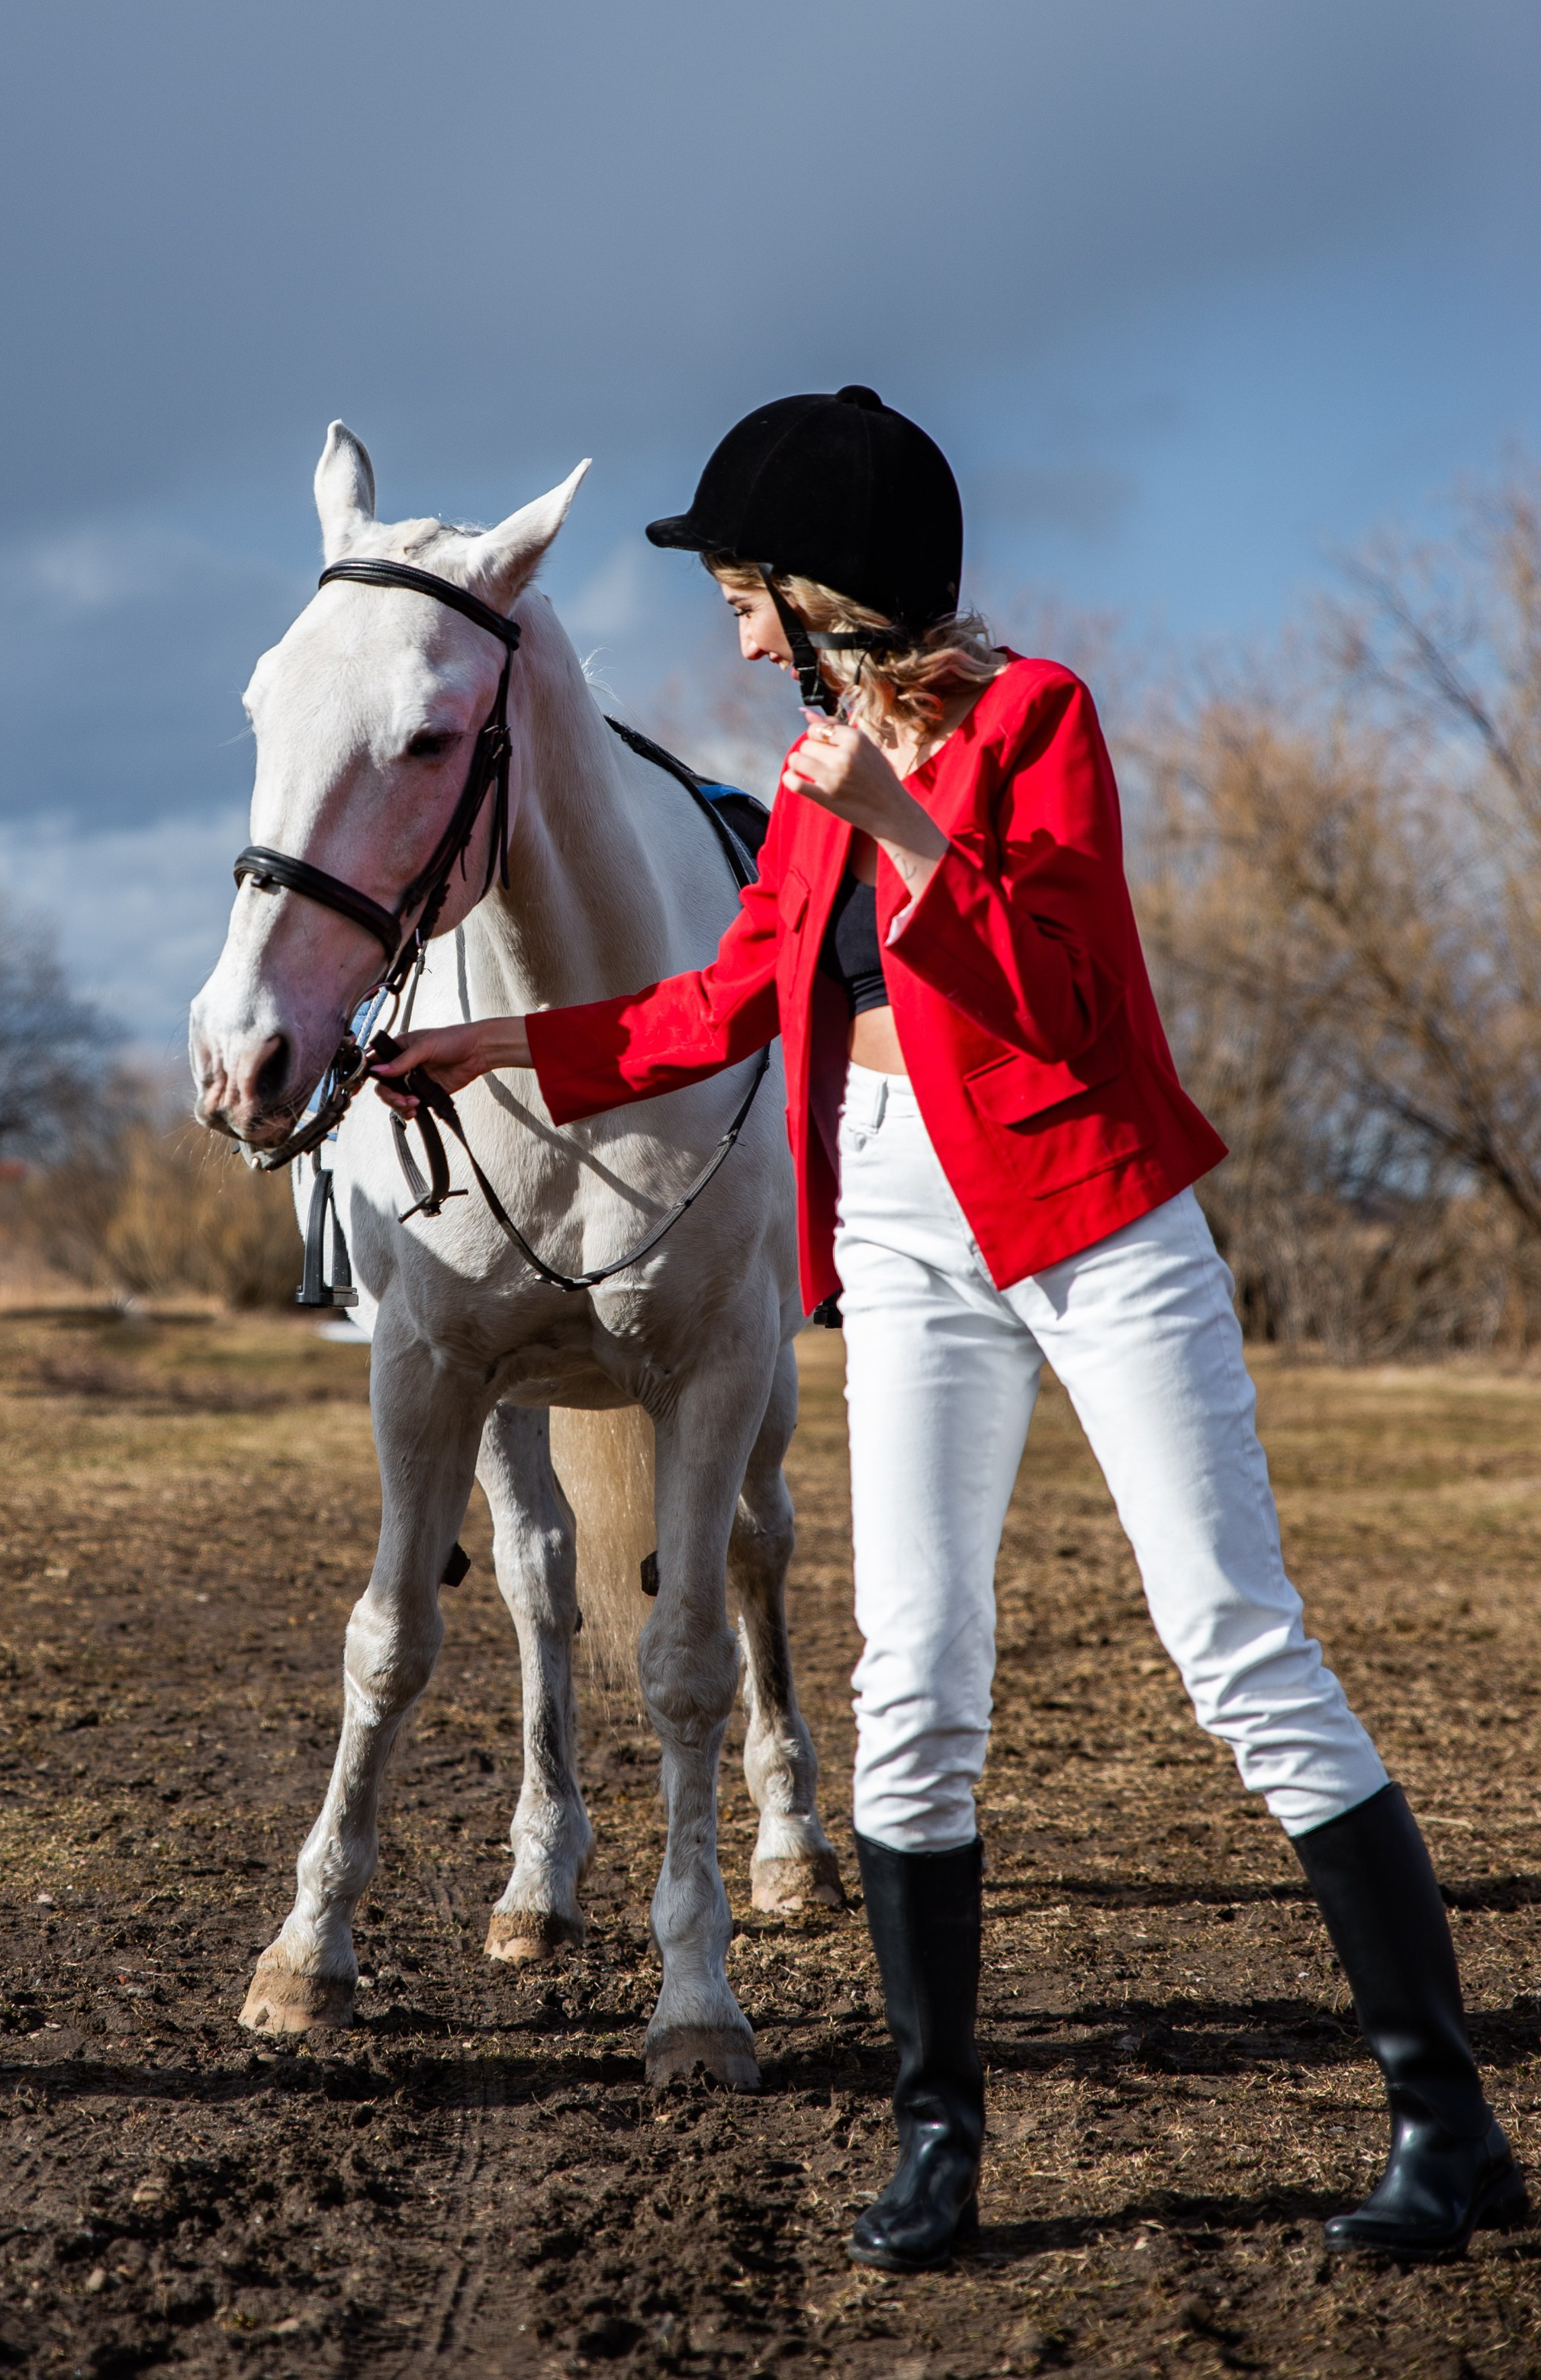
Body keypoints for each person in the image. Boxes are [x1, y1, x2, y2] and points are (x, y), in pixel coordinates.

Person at [372, 386, 1524, 2269]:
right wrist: (487, 1043)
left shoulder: (1032, 721)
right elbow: (714, 1011)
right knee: (911, 1675)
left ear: (829, 592)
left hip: (1093, 1211)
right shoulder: (820, 786)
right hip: (903, 1230)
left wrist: (900, 819)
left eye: (747, 591)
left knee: (1234, 1639)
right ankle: (938, 2138)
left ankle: (1448, 2121)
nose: (735, 630)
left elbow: (1063, 996)